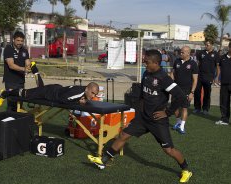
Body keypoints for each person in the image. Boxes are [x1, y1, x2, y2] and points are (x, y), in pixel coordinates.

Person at [87, 50, 192, 183]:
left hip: (157, 121)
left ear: (156, 63)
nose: (144, 63)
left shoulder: (164, 78)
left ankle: (186, 170)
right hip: (142, 118)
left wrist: (167, 112)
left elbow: (181, 97)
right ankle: (103, 161)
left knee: (169, 150)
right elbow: (142, 95)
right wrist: (138, 112)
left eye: (147, 61)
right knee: (123, 135)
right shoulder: (147, 74)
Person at [0, 82, 99, 106]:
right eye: (92, 93)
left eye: (95, 94)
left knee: (25, 93)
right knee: (24, 93)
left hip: (56, 89)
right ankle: (4, 93)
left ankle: (9, 92)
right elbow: (63, 100)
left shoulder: (83, 91)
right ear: (87, 89)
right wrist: (77, 102)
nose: (93, 96)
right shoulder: (79, 93)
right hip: (49, 92)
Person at [171, 46, 198, 134]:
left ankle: (182, 126)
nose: (180, 53)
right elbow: (172, 73)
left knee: (184, 108)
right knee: (175, 107)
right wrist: (171, 84)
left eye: (182, 52)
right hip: (176, 89)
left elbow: (195, 80)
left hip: (187, 90)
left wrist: (192, 92)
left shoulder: (193, 64)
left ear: (188, 53)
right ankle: (178, 122)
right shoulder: (177, 61)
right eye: (180, 52)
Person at [3, 31, 31, 111]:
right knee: (12, 105)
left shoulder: (24, 51)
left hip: (21, 81)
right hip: (11, 81)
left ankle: (18, 121)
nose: (20, 43)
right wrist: (24, 69)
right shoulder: (8, 49)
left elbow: (27, 62)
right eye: (18, 40)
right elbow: (11, 65)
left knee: (20, 104)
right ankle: (9, 121)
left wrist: (29, 67)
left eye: (22, 41)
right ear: (13, 40)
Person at [194, 40, 220, 115]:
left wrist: (217, 77)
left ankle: (205, 109)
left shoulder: (216, 54)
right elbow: (198, 64)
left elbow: (218, 67)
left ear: (212, 45)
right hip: (199, 76)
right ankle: (197, 108)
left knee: (207, 94)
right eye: (205, 45)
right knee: (197, 92)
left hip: (209, 77)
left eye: (207, 45)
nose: (206, 46)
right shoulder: (201, 53)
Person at [214, 42, 231, 126]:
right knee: (224, 102)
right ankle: (225, 119)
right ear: (229, 47)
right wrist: (217, 77)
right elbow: (218, 68)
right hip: (224, 84)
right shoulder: (222, 58)